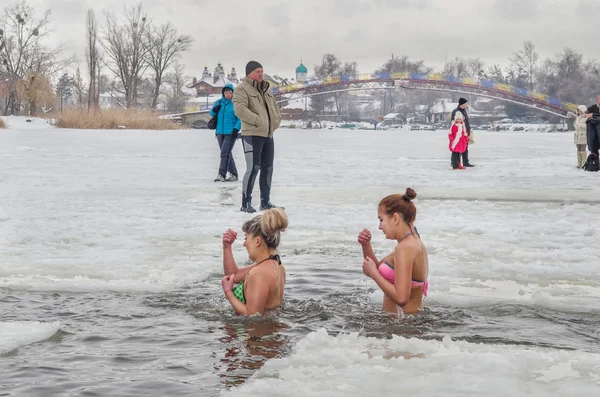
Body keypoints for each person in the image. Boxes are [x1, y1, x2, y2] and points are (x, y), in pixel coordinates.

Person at [357, 188, 429, 315]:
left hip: (401, 328)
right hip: (402, 326)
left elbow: (401, 298)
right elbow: (377, 268)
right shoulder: (412, 241)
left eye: (381, 220)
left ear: (395, 218)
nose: (379, 227)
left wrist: (373, 273)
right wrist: (366, 245)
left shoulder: (406, 247)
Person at [233, 61, 282, 213]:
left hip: (268, 134)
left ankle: (265, 202)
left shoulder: (267, 90)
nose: (260, 74)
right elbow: (240, 110)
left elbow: (274, 107)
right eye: (257, 71)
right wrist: (258, 121)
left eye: (261, 71)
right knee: (253, 168)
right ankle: (245, 203)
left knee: (268, 168)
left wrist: (275, 121)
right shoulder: (241, 89)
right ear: (249, 73)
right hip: (252, 134)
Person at [221, 208, 288, 315]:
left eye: (246, 238)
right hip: (271, 329)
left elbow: (252, 315)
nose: (244, 244)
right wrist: (227, 247)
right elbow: (233, 276)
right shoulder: (278, 267)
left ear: (257, 241)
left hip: (257, 330)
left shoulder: (259, 273)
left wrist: (228, 293)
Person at [210, 84, 241, 182]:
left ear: (233, 94)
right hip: (219, 132)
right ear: (223, 93)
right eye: (226, 93)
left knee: (224, 153)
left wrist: (236, 129)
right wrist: (215, 110)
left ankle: (221, 175)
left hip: (230, 132)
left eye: (230, 93)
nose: (228, 95)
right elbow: (211, 114)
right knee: (227, 154)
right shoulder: (218, 102)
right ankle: (234, 174)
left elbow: (240, 118)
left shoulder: (236, 104)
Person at [451, 98, 475, 167]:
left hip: (465, 132)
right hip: (458, 133)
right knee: (456, 148)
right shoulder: (456, 111)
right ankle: (454, 162)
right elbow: (453, 123)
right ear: (462, 104)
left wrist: (468, 130)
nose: (467, 105)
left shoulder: (464, 111)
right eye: (466, 104)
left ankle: (465, 162)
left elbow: (466, 121)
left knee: (465, 147)